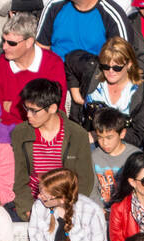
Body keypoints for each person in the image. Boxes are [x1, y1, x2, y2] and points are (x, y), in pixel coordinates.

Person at [11, 78, 98, 220]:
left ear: (52, 108)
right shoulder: (20, 133)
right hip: (33, 202)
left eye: (34, 111)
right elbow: (19, 179)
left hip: (67, 203)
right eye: (26, 108)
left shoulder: (77, 134)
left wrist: (66, 208)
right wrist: (27, 209)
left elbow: (84, 180)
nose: (27, 115)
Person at [0, 14, 69, 133]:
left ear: (29, 42)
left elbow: (55, 109)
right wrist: (34, 111)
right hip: (10, 133)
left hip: (48, 132)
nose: (4, 47)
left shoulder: (53, 63)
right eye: (3, 41)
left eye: (11, 43)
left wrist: (13, 107)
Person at [69, 38, 144, 145]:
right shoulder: (93, 70)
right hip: (87, 140)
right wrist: (75, 93)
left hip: (124, 146)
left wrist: (102, 136)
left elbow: (140, 135)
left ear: (129, 64)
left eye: (117, 68)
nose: (110, 72)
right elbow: (70, 59)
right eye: (106, 66)